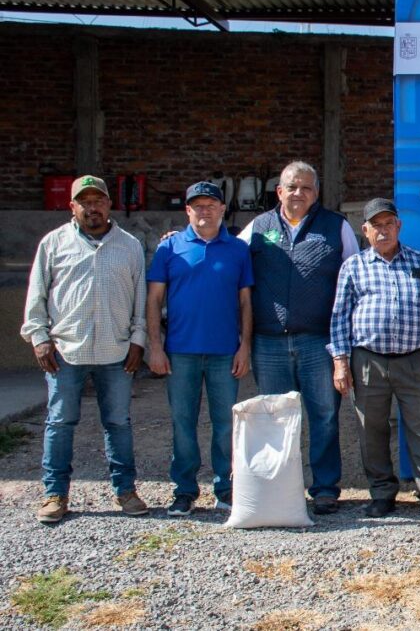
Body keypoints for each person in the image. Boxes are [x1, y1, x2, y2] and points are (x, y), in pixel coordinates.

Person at [22, 175, 149, 523]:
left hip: (116, 351)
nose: (93, 208)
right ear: (72, 207)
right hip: (66, 352)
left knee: (118, 423)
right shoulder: (53, 244)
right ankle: (55, 493)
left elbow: (139, 298)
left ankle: (126, 490)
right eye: (85, 202)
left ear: (109, 204)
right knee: (60, 422)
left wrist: (138, 340)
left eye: (99, 201)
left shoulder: (129, 246)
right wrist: (39, 338)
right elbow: (37, 294)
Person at [237, 161, 360, 515]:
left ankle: (325, 489)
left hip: (318, 341)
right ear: (279, 191)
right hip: (269, 342)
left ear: (316, 193)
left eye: (306, 187)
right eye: (292, 186)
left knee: (324, 416)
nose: (298, 193)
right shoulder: (259, 227)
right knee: (275, 417)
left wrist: (345, 345)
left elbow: (354, 277)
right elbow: (228, 256)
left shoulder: (336, 227)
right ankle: (279, 489)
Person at [329, 198, 420, 521]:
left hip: (414, 359)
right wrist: (340, 361)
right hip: (367, 361)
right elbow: (340, 317)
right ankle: (382, 494)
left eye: (389, 224)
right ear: (365, 230)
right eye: (376, 226)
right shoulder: (353, 267)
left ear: (399, 226)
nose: (383, 231)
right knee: (371, 429)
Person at [147, 181, 253, 517]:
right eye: (197, 206)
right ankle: (184, 490)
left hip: (225, 352)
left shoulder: (238, 250)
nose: (204, 211)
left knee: (225, 425)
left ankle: (225, 488)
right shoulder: (169, 248)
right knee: (183, 423)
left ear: (222, 209)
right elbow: (154, 299)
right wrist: (155, 346)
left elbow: (245, 302)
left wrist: (245, 346)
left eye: (211, 205)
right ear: (187, 211)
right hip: (180, 352)